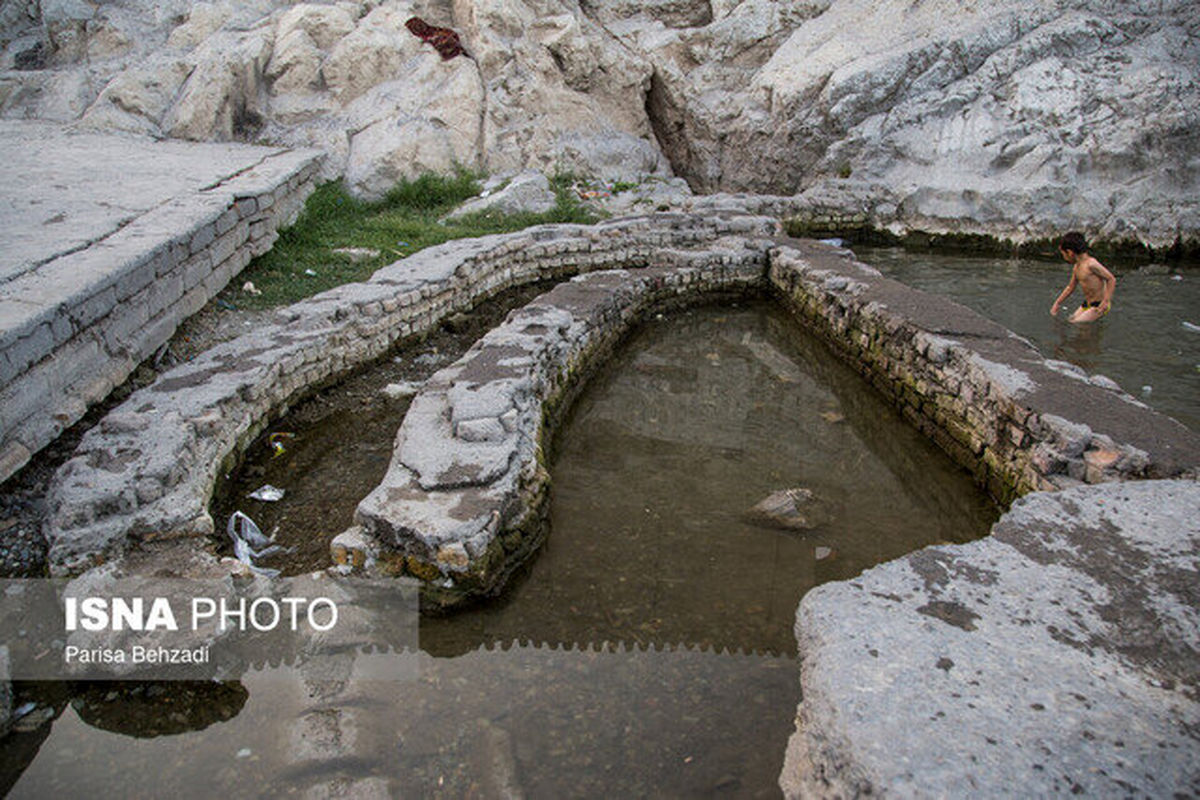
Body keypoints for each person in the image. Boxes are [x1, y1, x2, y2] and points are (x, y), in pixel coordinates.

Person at [1049, 232, 1116, 323]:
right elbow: (1070, 287)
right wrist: (1057, 303)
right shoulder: (1077, 267)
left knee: (1076, 324)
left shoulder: (1091, 264)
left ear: (1070, 252)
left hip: (1099, 305)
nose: (1063, 257)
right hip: (1087, 304)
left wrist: (1106, 301)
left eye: (1063, 254)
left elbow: (1111, 279)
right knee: (1070, 320)